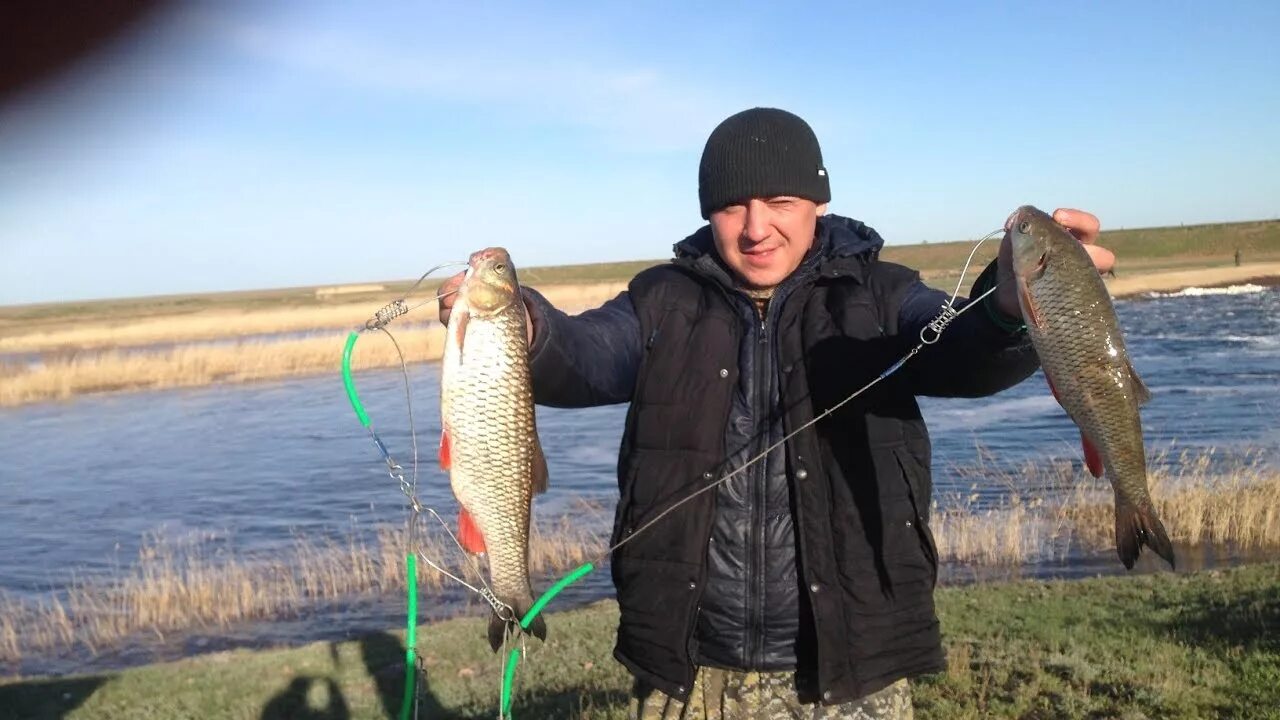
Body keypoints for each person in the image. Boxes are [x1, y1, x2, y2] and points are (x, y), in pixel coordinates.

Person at [438, 107, 1115, 719]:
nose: (756, 227)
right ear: (709, 214)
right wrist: (519, 328)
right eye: (732, 207)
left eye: (780, 201)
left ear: (818, 202)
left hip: (852, 666)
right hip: (691, 668)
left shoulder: (883, 296)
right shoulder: (660, 300)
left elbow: (964, 354)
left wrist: (1008, 306)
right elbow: (582, 356)